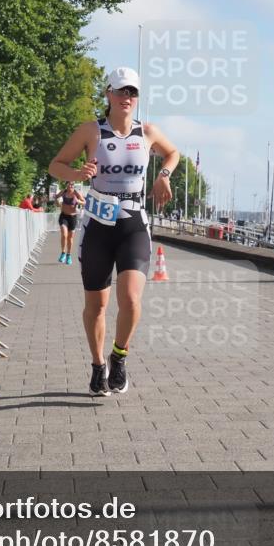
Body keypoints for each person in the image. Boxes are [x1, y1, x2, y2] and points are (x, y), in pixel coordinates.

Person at [48, 66, 179, 396]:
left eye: (132, 92)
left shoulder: (146, 131)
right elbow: (55, 165)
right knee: (97, 305)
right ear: (107, 94)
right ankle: (97, 365)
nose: (127, 98)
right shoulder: (91, 131)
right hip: (98, 225)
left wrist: (163, 175)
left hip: (133, 223)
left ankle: (119, 357)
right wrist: (79, 172)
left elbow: (173, 152)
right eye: (121, 91)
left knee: (132, 299)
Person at [55, 182, 85, 265]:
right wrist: (57, 202)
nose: (70, 186)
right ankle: (63, 253)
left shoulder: (76, 193)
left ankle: (68, 255)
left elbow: (84, 202)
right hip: (63, 216)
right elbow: (55, 197)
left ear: (74, 186)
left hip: (73, 218)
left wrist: (78, 201)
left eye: (72, 185)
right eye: (69, 184)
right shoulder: (63, 192)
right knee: (64, 235)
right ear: (66, 185)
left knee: (70, 238)